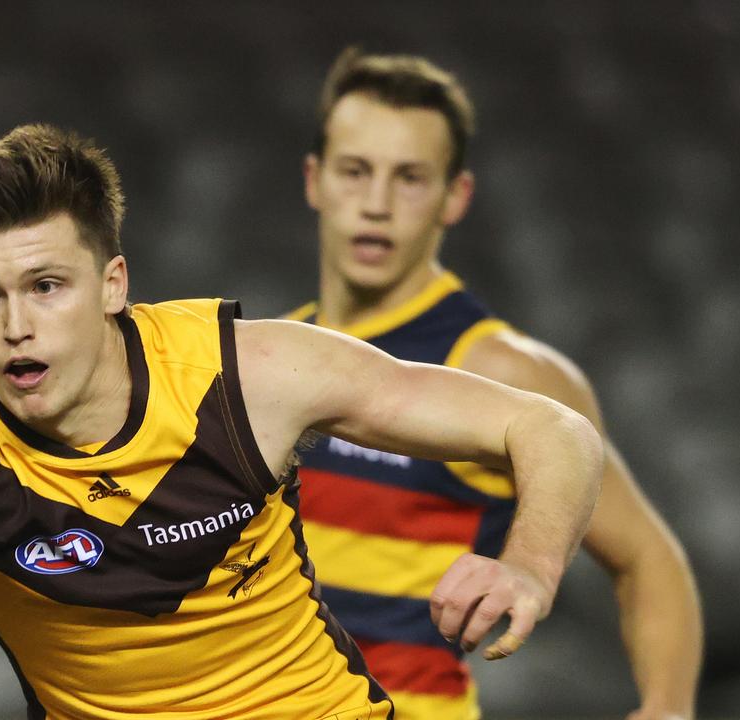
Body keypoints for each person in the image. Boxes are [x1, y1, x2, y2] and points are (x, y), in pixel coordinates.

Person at [0, 124, 603, 720]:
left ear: (113, 285)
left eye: (46, 286)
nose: (15, 325)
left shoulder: (254, 374)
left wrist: (527, 563)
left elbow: (554, 430)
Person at [288, 48, 703, 720]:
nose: (376, 203)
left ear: (457, 197)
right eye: (355, 171)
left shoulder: (504, 373)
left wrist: (668, 707)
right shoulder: (277, 355)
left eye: (411, 178)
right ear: (314, 180)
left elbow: (648, 559)